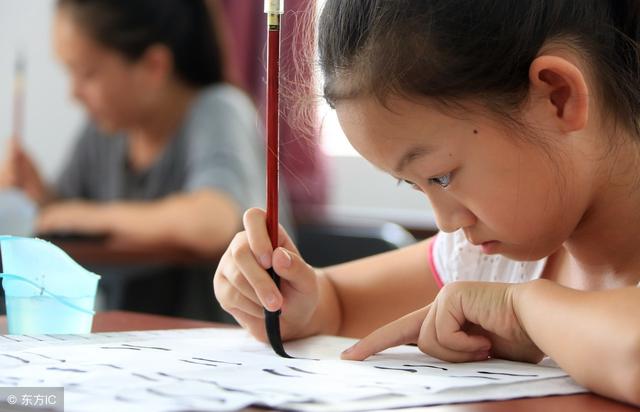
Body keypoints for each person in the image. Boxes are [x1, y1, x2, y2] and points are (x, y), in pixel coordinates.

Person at [213, 0, 640, 405]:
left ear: (557, 97)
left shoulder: (506, 275)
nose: (445, 222)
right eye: (413, 185)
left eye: (441, 176)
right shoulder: (492, 257)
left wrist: (520, 310)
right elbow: (336, 304)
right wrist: (293, 302)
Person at [0, 0, 281, 255]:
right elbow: (68, 215)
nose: (73, 94)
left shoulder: (218, 109)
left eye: (87, 74)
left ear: (153, 66)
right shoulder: (105, 128)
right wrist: (41, 197)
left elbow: (213, 221)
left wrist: (93, 217)